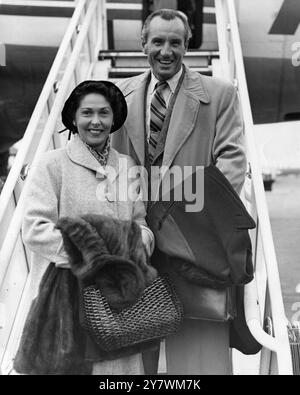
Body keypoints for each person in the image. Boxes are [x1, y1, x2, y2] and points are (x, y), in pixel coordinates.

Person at [111, 9, 247, 374]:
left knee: (197, 332)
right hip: (136, 234)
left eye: (175, 42)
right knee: (136, 334)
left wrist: (195, 218)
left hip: (190, 235)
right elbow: (106, 161)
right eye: (158, 41)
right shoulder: (119, 95)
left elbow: (232, 161)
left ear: (188, 45)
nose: (166, 50)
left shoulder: (219, 94)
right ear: (143, 45)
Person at [20, 80, 154, 375]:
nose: (96, 122)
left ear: (114, 118)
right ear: (73, 118)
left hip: (118, 298)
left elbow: (140, 224)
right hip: (65, 299)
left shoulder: (128, 166)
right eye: (87, 113)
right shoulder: (52, 164)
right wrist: (92, 254)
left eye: (104, 113)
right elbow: (33, 228)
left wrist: (138, 242)